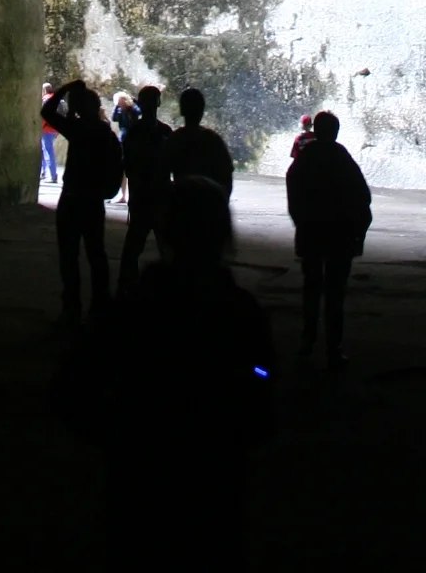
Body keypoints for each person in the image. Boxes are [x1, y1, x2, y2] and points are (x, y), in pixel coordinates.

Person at [54, 175, 272, 563]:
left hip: (140, 480)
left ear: (166, 232)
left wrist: (121, 435)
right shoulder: (241, 314)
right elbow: (266, 396)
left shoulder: (133, 310)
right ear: (223, 233)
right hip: (215, 483)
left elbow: (74, 389)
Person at [284, 109, 371, 367]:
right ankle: (333, 348)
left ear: (316, 130)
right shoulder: (341, 156)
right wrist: (357, 233)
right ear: (335, 132)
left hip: (311, 232)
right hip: (339, 235)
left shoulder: (306, 157)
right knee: (335, 293)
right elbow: (362, 196)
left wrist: (299, 220)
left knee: (311, 288)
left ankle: (307, 342)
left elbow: (293, 185)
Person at [41, 79, 122, 324]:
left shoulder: (78, 129)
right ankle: (100, 305)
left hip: (73, 198)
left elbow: (46, 112)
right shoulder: (104, 131)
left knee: (69, 256)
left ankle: (72, 308)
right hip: (93, 199)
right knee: (96, 253)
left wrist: (63, 89)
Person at [117, 83, 172, 292]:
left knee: (133, 246)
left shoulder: (133, 132)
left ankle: (124, 287)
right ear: (158, 102)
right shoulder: (165, 131)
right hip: (159, 196)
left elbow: (128, 164)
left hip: (141, 195)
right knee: (166, 245)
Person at [159, 85, 233, 199]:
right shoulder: (213, 139)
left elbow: (162, 175)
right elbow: (227, 176)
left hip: (182, 202)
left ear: (182, 110)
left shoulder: (175, 140)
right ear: (202, 110)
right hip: (207, 204)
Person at [109, 90, 137, 202]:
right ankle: (123, 195)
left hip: (132, 139)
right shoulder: (119, 110)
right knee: (123, 168)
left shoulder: (132, 109)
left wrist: (130, 105)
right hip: (123, 138)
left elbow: (138, 112)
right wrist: (117, 107)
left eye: (120, 101)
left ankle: (130, 194)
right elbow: (113, 118)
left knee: (131, 168)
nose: (118, 103)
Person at [40, 82, 59, 185]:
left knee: (47, 151)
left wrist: (40, 127)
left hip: (45, 129)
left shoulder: (45, 99)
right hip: (54, 129)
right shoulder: (56, 99)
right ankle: (43, 173)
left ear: (44, 90)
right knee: (44, 150)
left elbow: (42, 115)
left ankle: (52, 175)